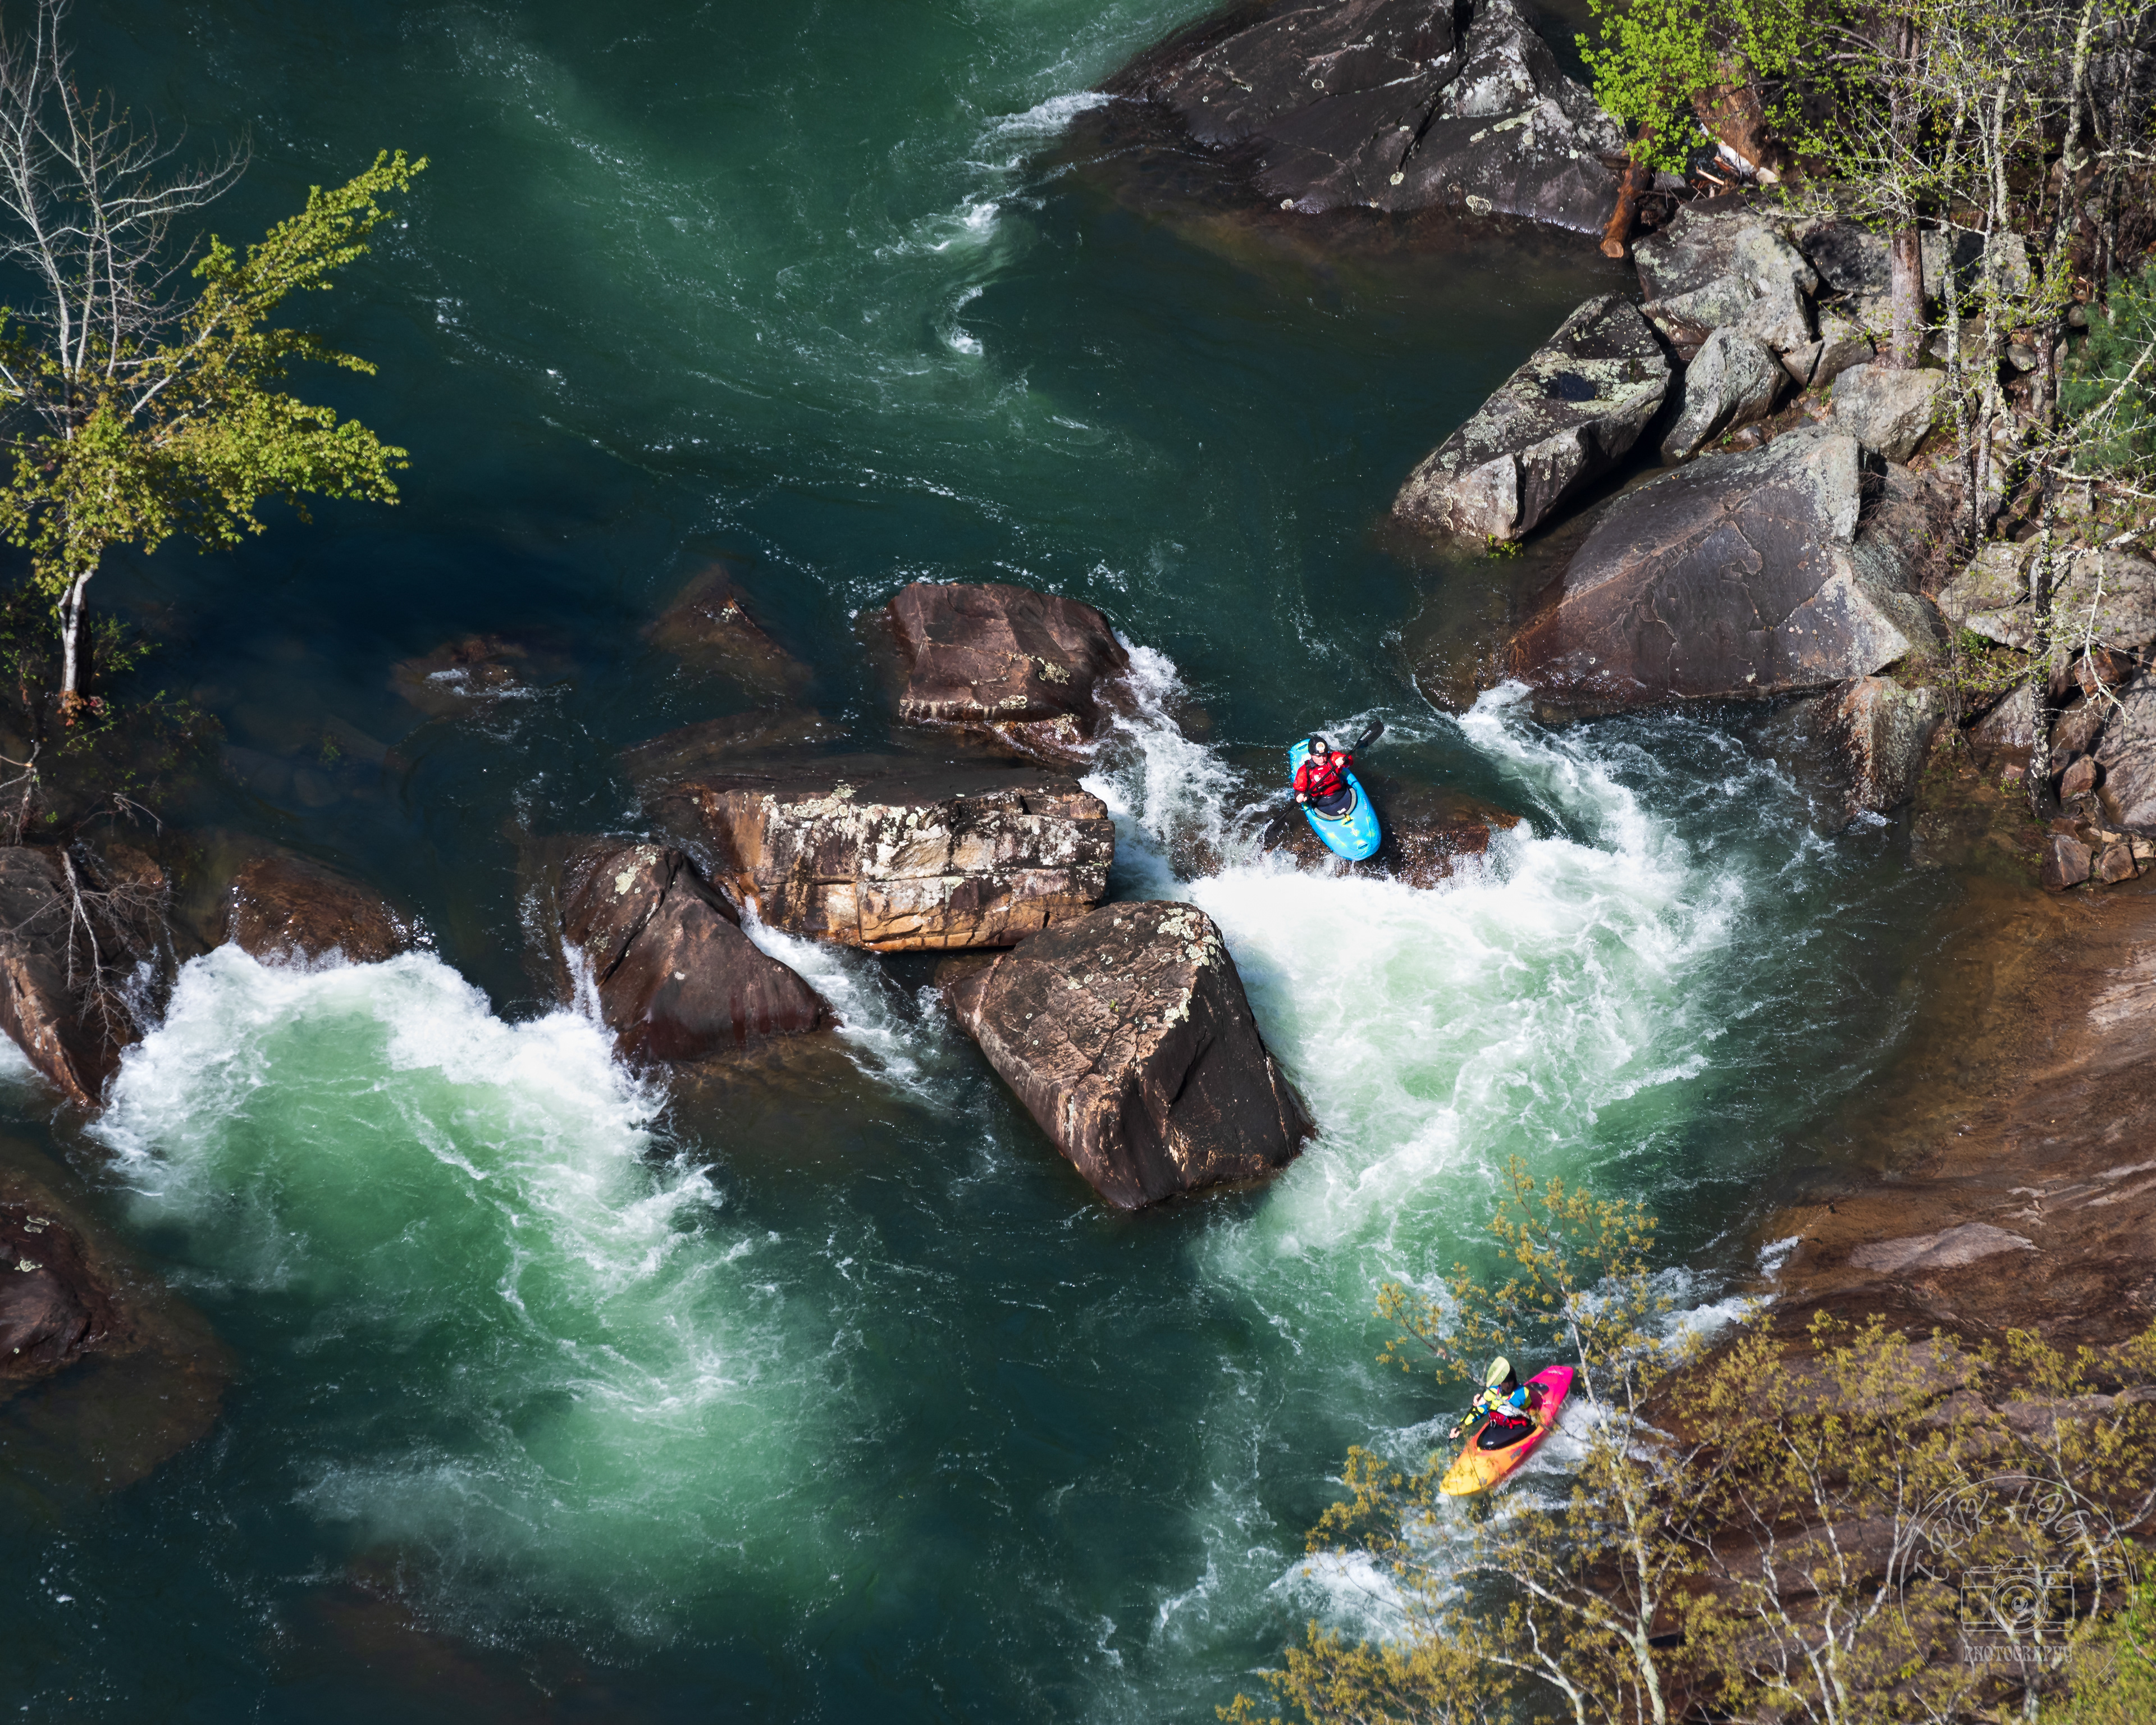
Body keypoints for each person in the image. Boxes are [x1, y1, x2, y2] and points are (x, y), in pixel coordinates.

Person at [1447, 1356, 1539, 1441]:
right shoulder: (1493, 1391)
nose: (1504, 1385)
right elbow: (1479, 1410)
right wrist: (1462, 1426)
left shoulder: (1522, 1392)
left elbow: (1510, 1410)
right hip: (1499, 1426)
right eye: (1502, 1382)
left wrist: (1487, 1402)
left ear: (1511, 1381)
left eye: (1507, 1382)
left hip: (1521, 1428)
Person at [1294, 733, 1359, 818]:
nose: (1322, 759)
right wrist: (1299, 795)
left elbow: (1349, 761)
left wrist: (1344, 760)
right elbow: (1298, 789)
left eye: (1324, 755)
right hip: (1321, 802)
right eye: (1318, 756)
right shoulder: (1304, 771)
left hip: (1342, 793)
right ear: (1311, 755)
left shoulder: (1333, 758)